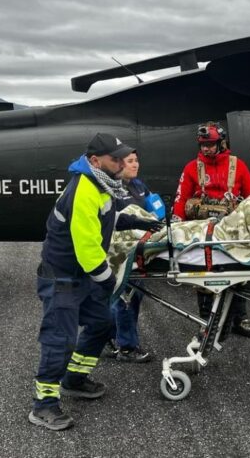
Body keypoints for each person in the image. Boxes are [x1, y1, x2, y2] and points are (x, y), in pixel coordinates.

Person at [29, 133, 163, 431]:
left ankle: (74, 379)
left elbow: (106, 218)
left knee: (103, 323)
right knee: (60, 339)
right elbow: (88, 249)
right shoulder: (84, 190)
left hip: (80, 275)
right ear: (95, 161)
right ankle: (44, 404)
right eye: (116, 159)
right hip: (62, 277)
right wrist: (109, 281)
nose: (121, 163)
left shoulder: (101, 185)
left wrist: (136, 222)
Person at [172, 121, 250, 339]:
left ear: (221, 143)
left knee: (239, 273)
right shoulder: (192, 168)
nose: (206, 149)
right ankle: (206, 322)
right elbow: (181, 198)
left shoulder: (238, 166)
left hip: (232, 230)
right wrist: (176, 224)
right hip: (203, 232)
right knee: (203, 276)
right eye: (203, 145)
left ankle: (240, 319)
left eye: (210, 144)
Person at [102, 150, 158, 363]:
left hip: (138, 248)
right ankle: (127, 347)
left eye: (136, 160)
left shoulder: (139, 186)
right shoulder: (111, 189)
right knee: (125, 298)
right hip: (120, 251)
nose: (136, 165)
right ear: (118, 165)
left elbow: (154, 208)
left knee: (131, 296)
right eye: (130, 161)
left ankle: (108, 337)